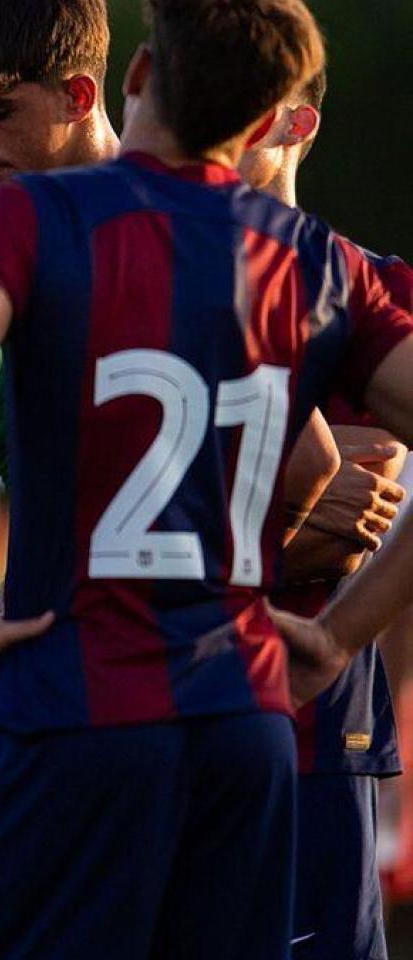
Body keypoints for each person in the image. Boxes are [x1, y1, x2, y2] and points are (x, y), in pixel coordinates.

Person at [0, 0, 413, 954]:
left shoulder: (37, 215)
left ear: (133, 78)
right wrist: (335, 638)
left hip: (79, 702)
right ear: (263, 120)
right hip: (246, 720)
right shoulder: (313, 256)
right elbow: (319, 467)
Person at [237, 68, 412, 959]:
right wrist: (290, 522)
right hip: (156, 714)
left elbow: (385, 489)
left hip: (317, 728)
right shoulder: (144, 276)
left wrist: (344, 633)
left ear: (297, 121)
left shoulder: (373, 289)